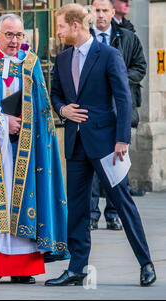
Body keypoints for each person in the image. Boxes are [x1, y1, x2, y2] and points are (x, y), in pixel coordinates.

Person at [46, 3, 156, 287]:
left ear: (74, 25)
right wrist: (63, 111)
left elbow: (123, 98)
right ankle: (77, 268)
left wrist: (122, 139)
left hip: (108, 144)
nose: (57, 32)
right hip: (76, 143)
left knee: (123, 203)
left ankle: (146, 263)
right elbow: (55, 94)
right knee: (78, 209)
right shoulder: (62, 58)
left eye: (60, 26)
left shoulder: (108, 54)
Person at [0, 14, 69, 285]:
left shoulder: (30, 63)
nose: (15, 41)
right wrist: (1, 120)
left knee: (22, 201)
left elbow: (43, 109)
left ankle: (23, 268)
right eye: (9, 34)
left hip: (24, 148)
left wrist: (26, 125)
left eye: (19, 35)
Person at [89, 0, 147, 231]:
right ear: (91, 12)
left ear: (113, 13)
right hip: (92, 113)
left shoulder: (128, 37)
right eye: (97, 10)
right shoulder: (85, 38)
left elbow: (140, 67)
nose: (101, 15)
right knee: (92, 168)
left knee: (117, 166)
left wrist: (118, 79)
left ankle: (113, 214)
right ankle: (92, 215)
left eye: (105, 11)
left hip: (119, 112)